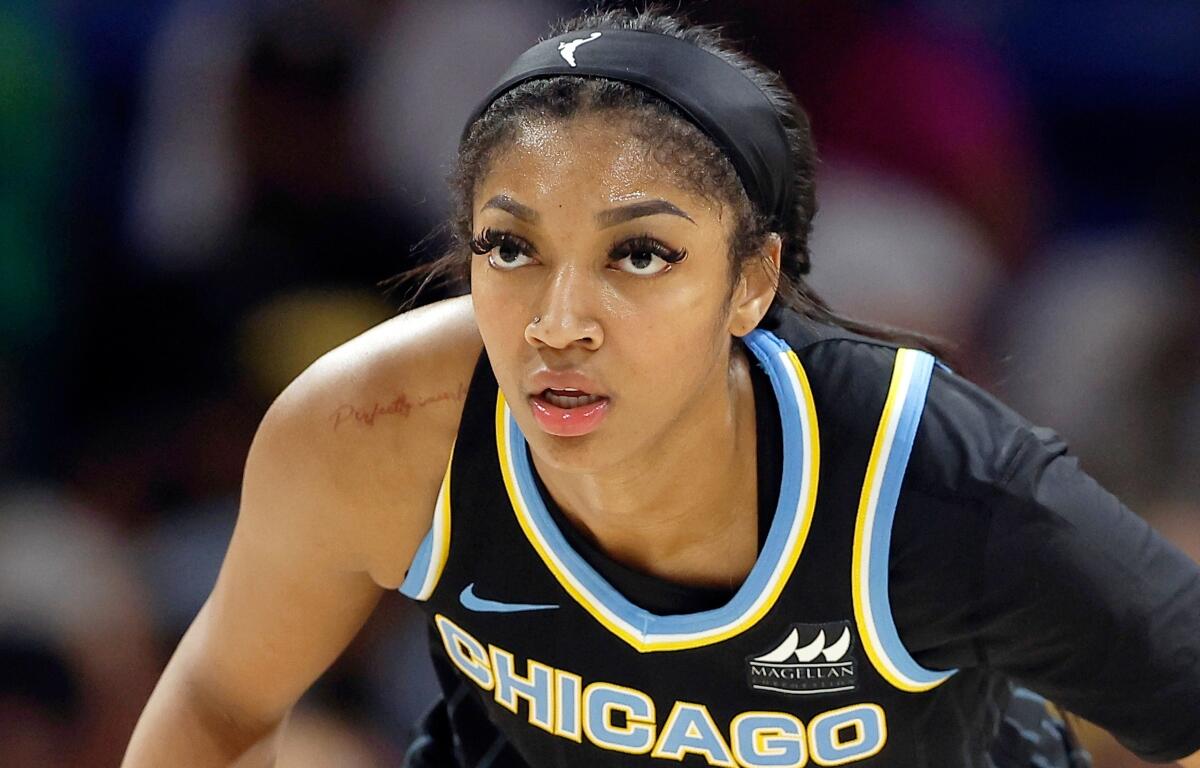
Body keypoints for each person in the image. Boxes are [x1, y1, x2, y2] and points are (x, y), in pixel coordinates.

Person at [122, 8, 1200, 768]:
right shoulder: (378, 425)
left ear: (754, 280)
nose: (557, 321)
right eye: (510, 248)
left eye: (639, 255)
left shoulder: (937, 479)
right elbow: (221, 702)